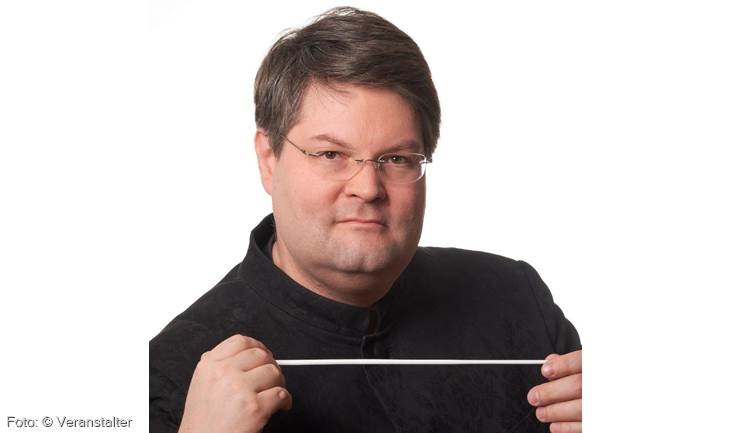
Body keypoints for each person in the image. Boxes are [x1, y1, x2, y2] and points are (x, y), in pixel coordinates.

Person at [149, 7, 582, 433]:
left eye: (396, 158)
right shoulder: (169, 376)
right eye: (331, 154)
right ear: (268, 159)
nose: (368, 188)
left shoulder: (517, 298)